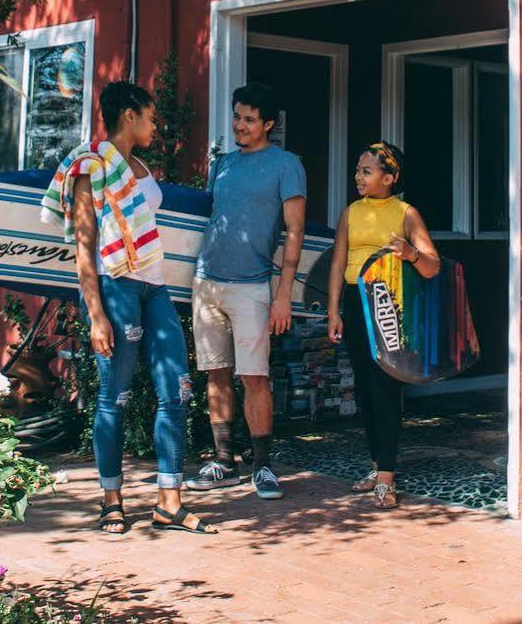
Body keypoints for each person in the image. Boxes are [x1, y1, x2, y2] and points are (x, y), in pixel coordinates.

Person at [43, 80, 214, 535]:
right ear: (130, 115)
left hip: (153, 287)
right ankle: (111, 500)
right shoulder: (91, 165)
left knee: (176, 389)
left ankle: (168, 502)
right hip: (115, 287)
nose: (156, 125)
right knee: (113, 396)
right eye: (152, 117)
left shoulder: (138, 165)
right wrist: (95, 312)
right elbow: (84, 243)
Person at [183, 82, 307, 499]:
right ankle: (223, 460)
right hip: (207, 280)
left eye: (249, 119)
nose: (239, 125)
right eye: (237, 117)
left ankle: (263, 466)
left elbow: (295, 232)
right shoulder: (221, 165)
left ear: (269, 124)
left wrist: (283, 293)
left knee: (255, 376)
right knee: (215, 372)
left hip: (253, 285)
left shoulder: (286, 164)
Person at [326, 141, 441, 510]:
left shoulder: (406, 213)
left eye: (367, 171)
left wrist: (410, 253)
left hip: (388, 304)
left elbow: (433, 266)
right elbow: (337, 261)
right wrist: (333, 311)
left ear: (389, 178)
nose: (358, 177)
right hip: (354, 301)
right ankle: (376, 469)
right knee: (363, 388)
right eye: (358, 170)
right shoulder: (350, 213)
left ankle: (387, 479)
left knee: (385, 388)